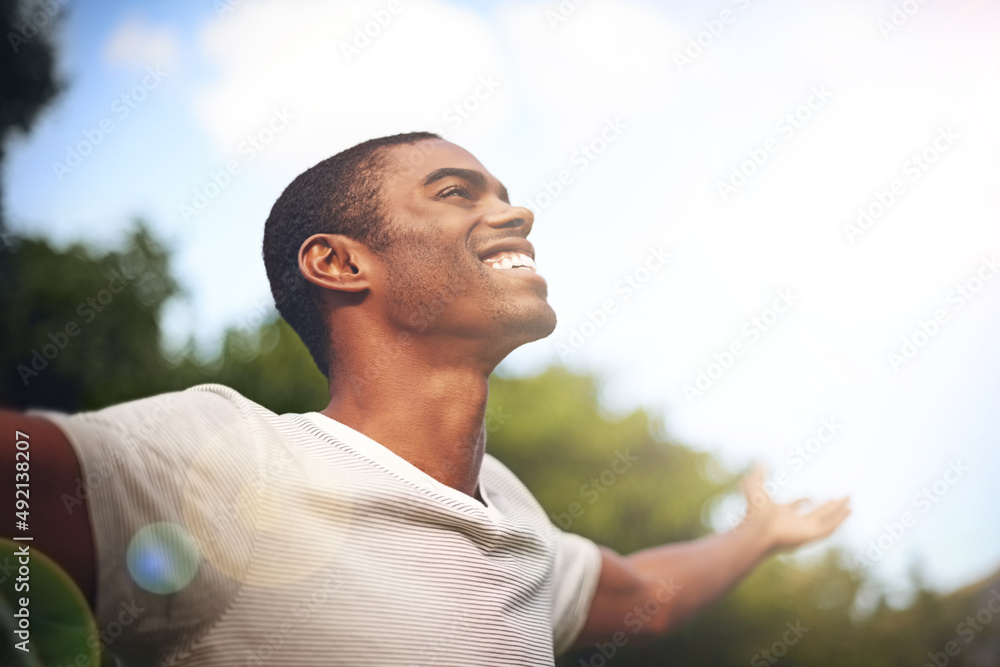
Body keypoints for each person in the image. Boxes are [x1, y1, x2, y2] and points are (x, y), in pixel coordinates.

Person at [1, 132, 850, 666]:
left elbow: (649, 600)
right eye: (456, 191)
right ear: (339, 263)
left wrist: (759, 533)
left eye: (502, 191)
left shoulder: (510, 512)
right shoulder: (229, 460)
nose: (515, 212)